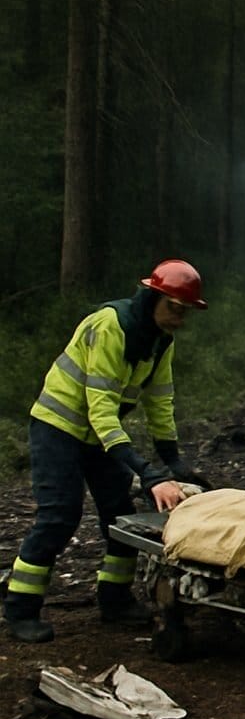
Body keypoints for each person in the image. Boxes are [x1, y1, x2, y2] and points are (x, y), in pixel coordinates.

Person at [4, 261, 204, 643]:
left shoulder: (161, 339)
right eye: (174, 308)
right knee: (60, 515)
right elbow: (101, 411)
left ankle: (114, 600)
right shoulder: (110, 326)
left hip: (98, 435)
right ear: (152, 297)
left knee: (121, 515)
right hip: (57, 428)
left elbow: (160, 401)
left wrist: (172, 458)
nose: (179, 319)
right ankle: (20, 608)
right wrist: (148, 474)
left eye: (186, 312)